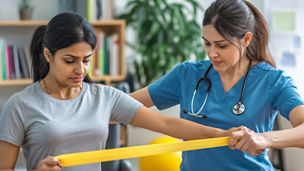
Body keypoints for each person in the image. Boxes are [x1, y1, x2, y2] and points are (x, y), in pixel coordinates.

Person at [0, 12, 237, 171]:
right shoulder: (20, 105)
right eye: (70, 60)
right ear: (48, 54)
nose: (80, 69)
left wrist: (224, 134)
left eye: (86, 60)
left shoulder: (104, 97)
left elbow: (166, 124)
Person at [130, 0, 304, 170]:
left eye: (222, 46)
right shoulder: (188, 74)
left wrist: (264, 139)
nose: (212, 53)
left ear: (246, 39)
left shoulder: (272, 81)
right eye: (207, 43)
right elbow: (121, 105)